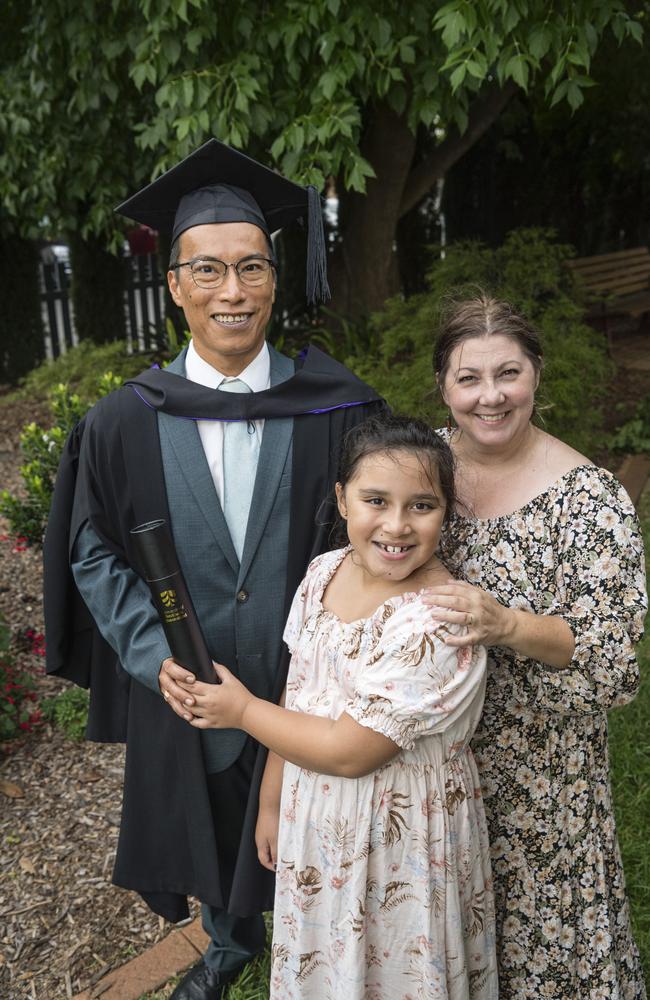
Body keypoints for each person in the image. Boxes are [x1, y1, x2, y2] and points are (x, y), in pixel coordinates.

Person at [43, 138, 386, 1000]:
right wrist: (143, 650)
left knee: (321, 820)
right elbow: (89, 547)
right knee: (210, 820)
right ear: (174, 285)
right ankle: (232, 942)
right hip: (187, 677)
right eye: (207, 271)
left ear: (276, 277)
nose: (231, 292)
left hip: (306, 680)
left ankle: (335, 950)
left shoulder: (338, 407)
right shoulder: (122, 421)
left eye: (252, 268)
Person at [167, 414, 499, 999]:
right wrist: (271, 803)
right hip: (314, 817)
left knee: (396, 968)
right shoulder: (324, 573)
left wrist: (241, 712)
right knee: (329, 966)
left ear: (447, 512)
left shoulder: (437, 622)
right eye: (376, 500)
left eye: (422, 506)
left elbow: (351, 753)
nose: (396, 525)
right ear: (342, 499)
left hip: (402, 836)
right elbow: (298, 696)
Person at [419, 296, 647, 999]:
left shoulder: (590, 500)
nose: (491, 396)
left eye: (508, 373)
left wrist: (507, 624)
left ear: (536, 375)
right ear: (444, 387)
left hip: (543, 773)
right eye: (469, 379)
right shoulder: (419, 472)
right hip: (434, 762)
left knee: (543, 953)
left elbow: (613, 664)